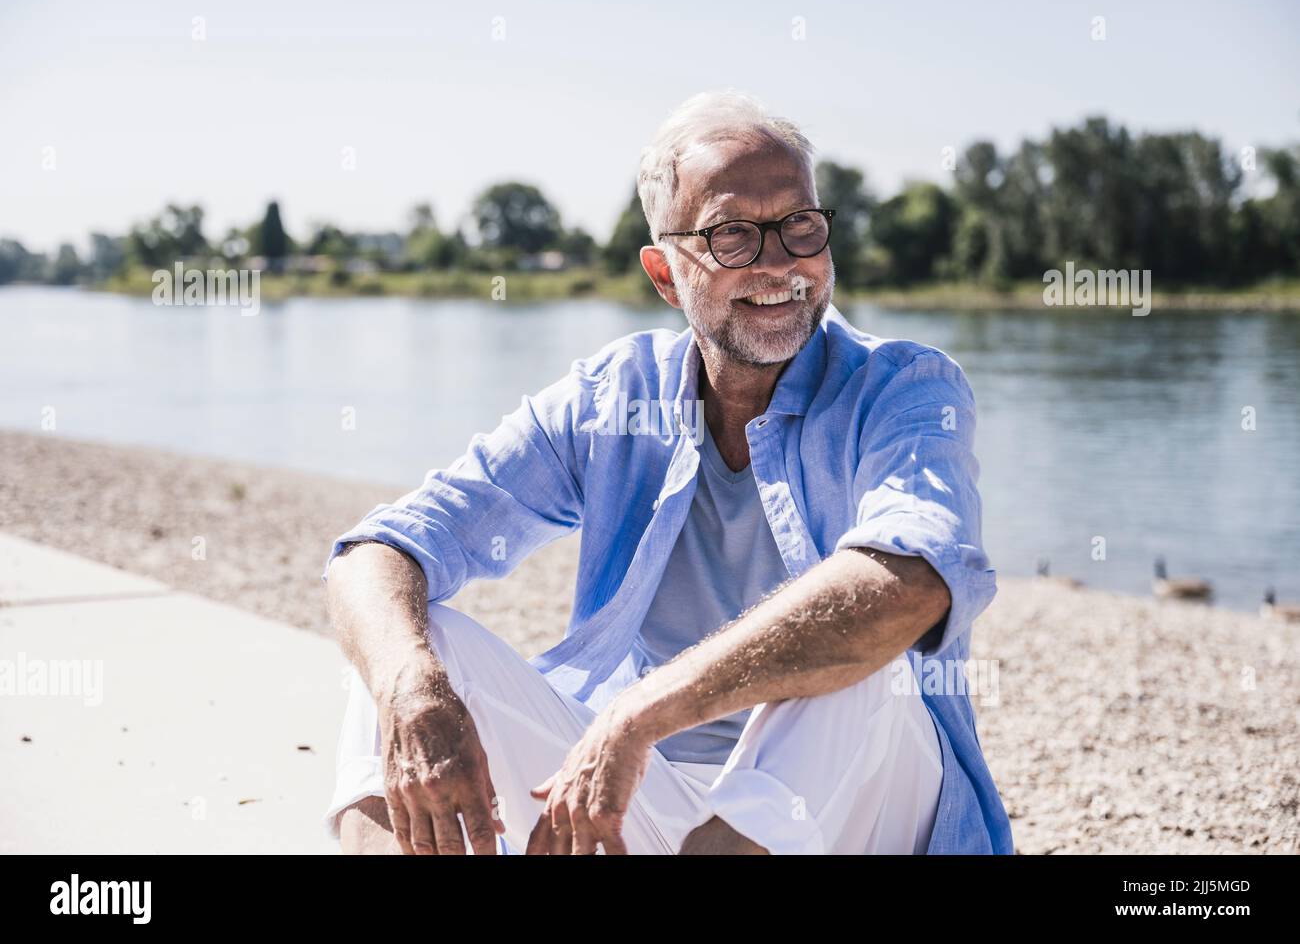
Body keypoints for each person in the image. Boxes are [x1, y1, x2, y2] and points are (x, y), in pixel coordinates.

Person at [321, 89, 1013, 855]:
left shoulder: (904, 388)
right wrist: (412, 690)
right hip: (643, 804)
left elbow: (907, 584)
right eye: (731, 236)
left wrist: (638, 712)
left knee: (862, 658)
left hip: (857, 814)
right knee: (409, 656)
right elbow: (380, 551)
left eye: (800, 226)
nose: (780, 262)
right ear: (663, 272)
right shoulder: (612, 397)